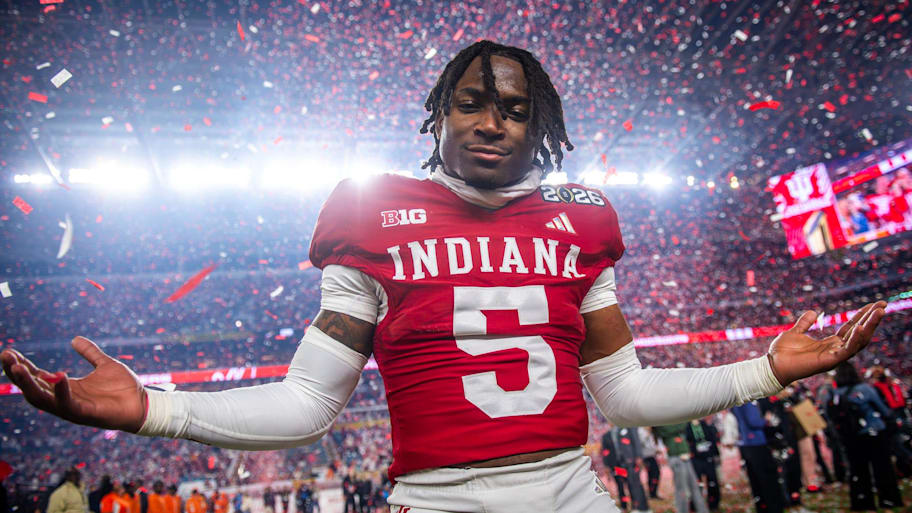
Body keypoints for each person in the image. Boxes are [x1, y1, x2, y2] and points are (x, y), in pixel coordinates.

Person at [0, 40, 889, 513]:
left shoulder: (581, 214)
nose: (493, 120)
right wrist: (156, 406)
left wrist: (767, 369)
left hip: (575, 494)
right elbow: (310, 406)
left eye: (516, 107)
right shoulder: (369, 208)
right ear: (439, 113)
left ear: (540, 126)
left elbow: (620, 393)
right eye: (473, 101)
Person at [827, 361, 903, 511]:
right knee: (883, 468)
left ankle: (862, 502)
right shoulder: (865, 389)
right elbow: (882, 409)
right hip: (873, 433)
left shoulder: (835, 394)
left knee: (858, 471)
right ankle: (889, 499)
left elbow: (831, 417)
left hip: (852, 438)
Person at [731, 402, 786, 513]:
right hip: (756, 442)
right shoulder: (747, 401)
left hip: (747, 443)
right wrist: (766, 420)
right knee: (767, 479)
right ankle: (773, 507)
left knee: (756, 480)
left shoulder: (735, 401)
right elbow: (754, 421)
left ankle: (762, 506)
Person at [652, 423, 709, 513]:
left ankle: (702, 510)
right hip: (675, 456)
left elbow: (682, 425)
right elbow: (671, 428)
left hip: (684, 454)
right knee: (682, 489)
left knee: (694, 486)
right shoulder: (661, 423)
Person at [601, 426, 650, 512]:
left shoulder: (629, 429)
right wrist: (607, 466)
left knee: (634, 484)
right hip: (616, 466)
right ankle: (624, 507)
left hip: (629, 463)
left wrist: (638, 456)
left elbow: (636, 442)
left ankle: (639, 506)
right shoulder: (606, 435)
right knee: (620, 486)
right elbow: (605, 451)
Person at [685, 417, 721, 511]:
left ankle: (713, 504)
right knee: (697, 483)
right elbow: (687, 441)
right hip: (696, 459)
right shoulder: (687, 427)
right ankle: (695, 505)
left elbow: (713, 438)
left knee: (712, 482)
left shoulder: (705, 424)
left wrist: (716, 454)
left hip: (708, 457)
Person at [637, 427, 661, 500]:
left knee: (654, 474)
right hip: (646, 456)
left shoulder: (648, 432)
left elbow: (650, 444)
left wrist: (655, 450)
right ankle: (652, 493)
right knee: (653, 473)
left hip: (651, 455)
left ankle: (653, 493)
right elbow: (641, 442)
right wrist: (647, 434)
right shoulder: (640, 431)